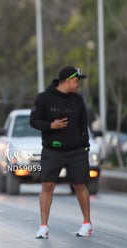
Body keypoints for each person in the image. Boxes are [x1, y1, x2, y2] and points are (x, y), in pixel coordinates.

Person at [30, 66, 93, 238]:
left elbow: (83, 125)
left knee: (80, 185)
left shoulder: (78, 100)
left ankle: (87, 224)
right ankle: (43, 227)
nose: (78, 83)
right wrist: (51, 125)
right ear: (68, 80)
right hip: (52, 150)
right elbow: (34, 121)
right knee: (47, 185)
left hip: (77, 151)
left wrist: (85, 147)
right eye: (76, 80)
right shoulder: (44, 98)